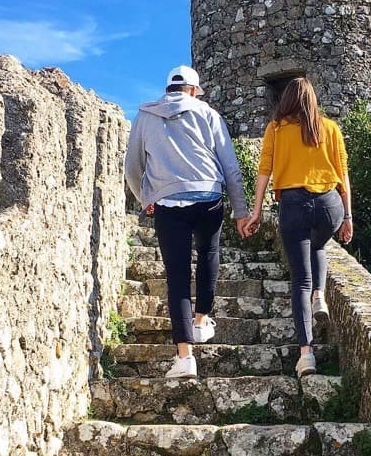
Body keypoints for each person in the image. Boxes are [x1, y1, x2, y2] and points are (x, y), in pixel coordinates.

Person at [124, 65, 249, 379]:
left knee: (177, 278)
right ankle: (201, 320)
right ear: (193, 90)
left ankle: (184, 358)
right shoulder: (208, 115)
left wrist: (146, 198)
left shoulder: (144, 116)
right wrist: (241, 211)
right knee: (208, 255)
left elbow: (133, 166)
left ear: (168, 89)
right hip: (208, 195)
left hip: (168, 203)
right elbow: (230, 167)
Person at [242, 78, 353, 377]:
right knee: (319, 245)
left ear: (286, 100)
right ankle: (321, 295)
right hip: (330, 204)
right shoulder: (329, 128)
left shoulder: (276, 129)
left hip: (293, 204)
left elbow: (264, 170)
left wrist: (255, 212)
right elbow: (343, 176)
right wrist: (348, 217)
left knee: (299, 281)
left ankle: (307, 355)